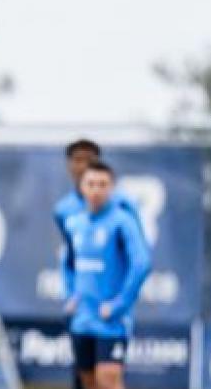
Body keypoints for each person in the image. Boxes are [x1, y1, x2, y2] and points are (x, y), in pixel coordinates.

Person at [53, 139, 143, 389]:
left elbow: (139, 258)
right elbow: (70, 256)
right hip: (83, 314)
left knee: (108, 379)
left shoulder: (122, 210)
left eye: (88, 159)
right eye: (77, 160)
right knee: (85, 380)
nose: (82, 165)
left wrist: (120, 303)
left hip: (110, 315)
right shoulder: (66, 212)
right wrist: (71, 293)